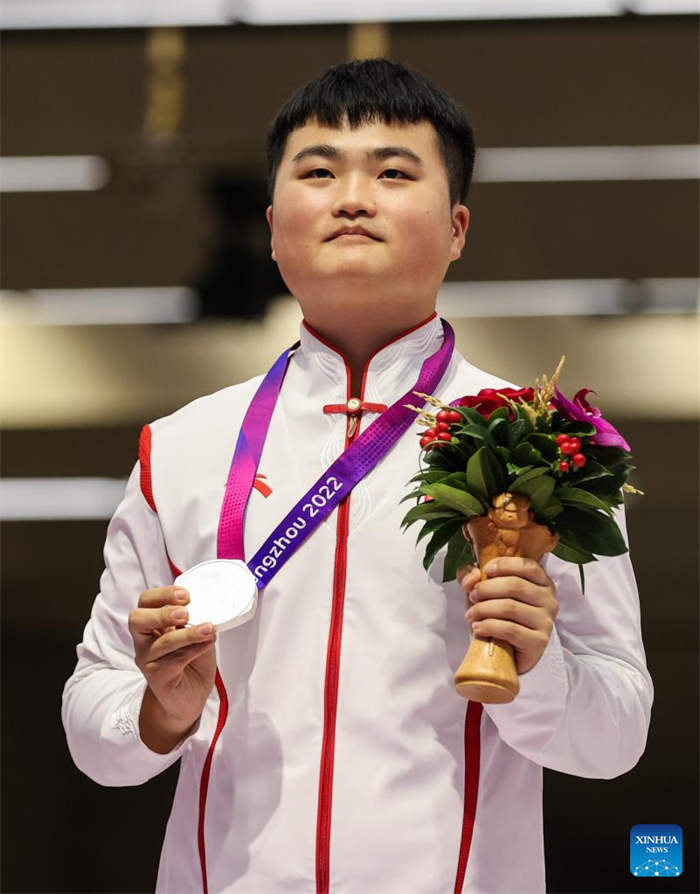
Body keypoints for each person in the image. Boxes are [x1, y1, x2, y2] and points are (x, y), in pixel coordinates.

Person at [62, 59, 653, 894]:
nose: (351, 196)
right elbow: (95, 729)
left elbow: (617, 733)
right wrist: (161, 711)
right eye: (318, 171)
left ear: (456, 228)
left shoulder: (543, 442)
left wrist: (538, 667)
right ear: (271, 227)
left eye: (393, 171)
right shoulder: (182, 447)